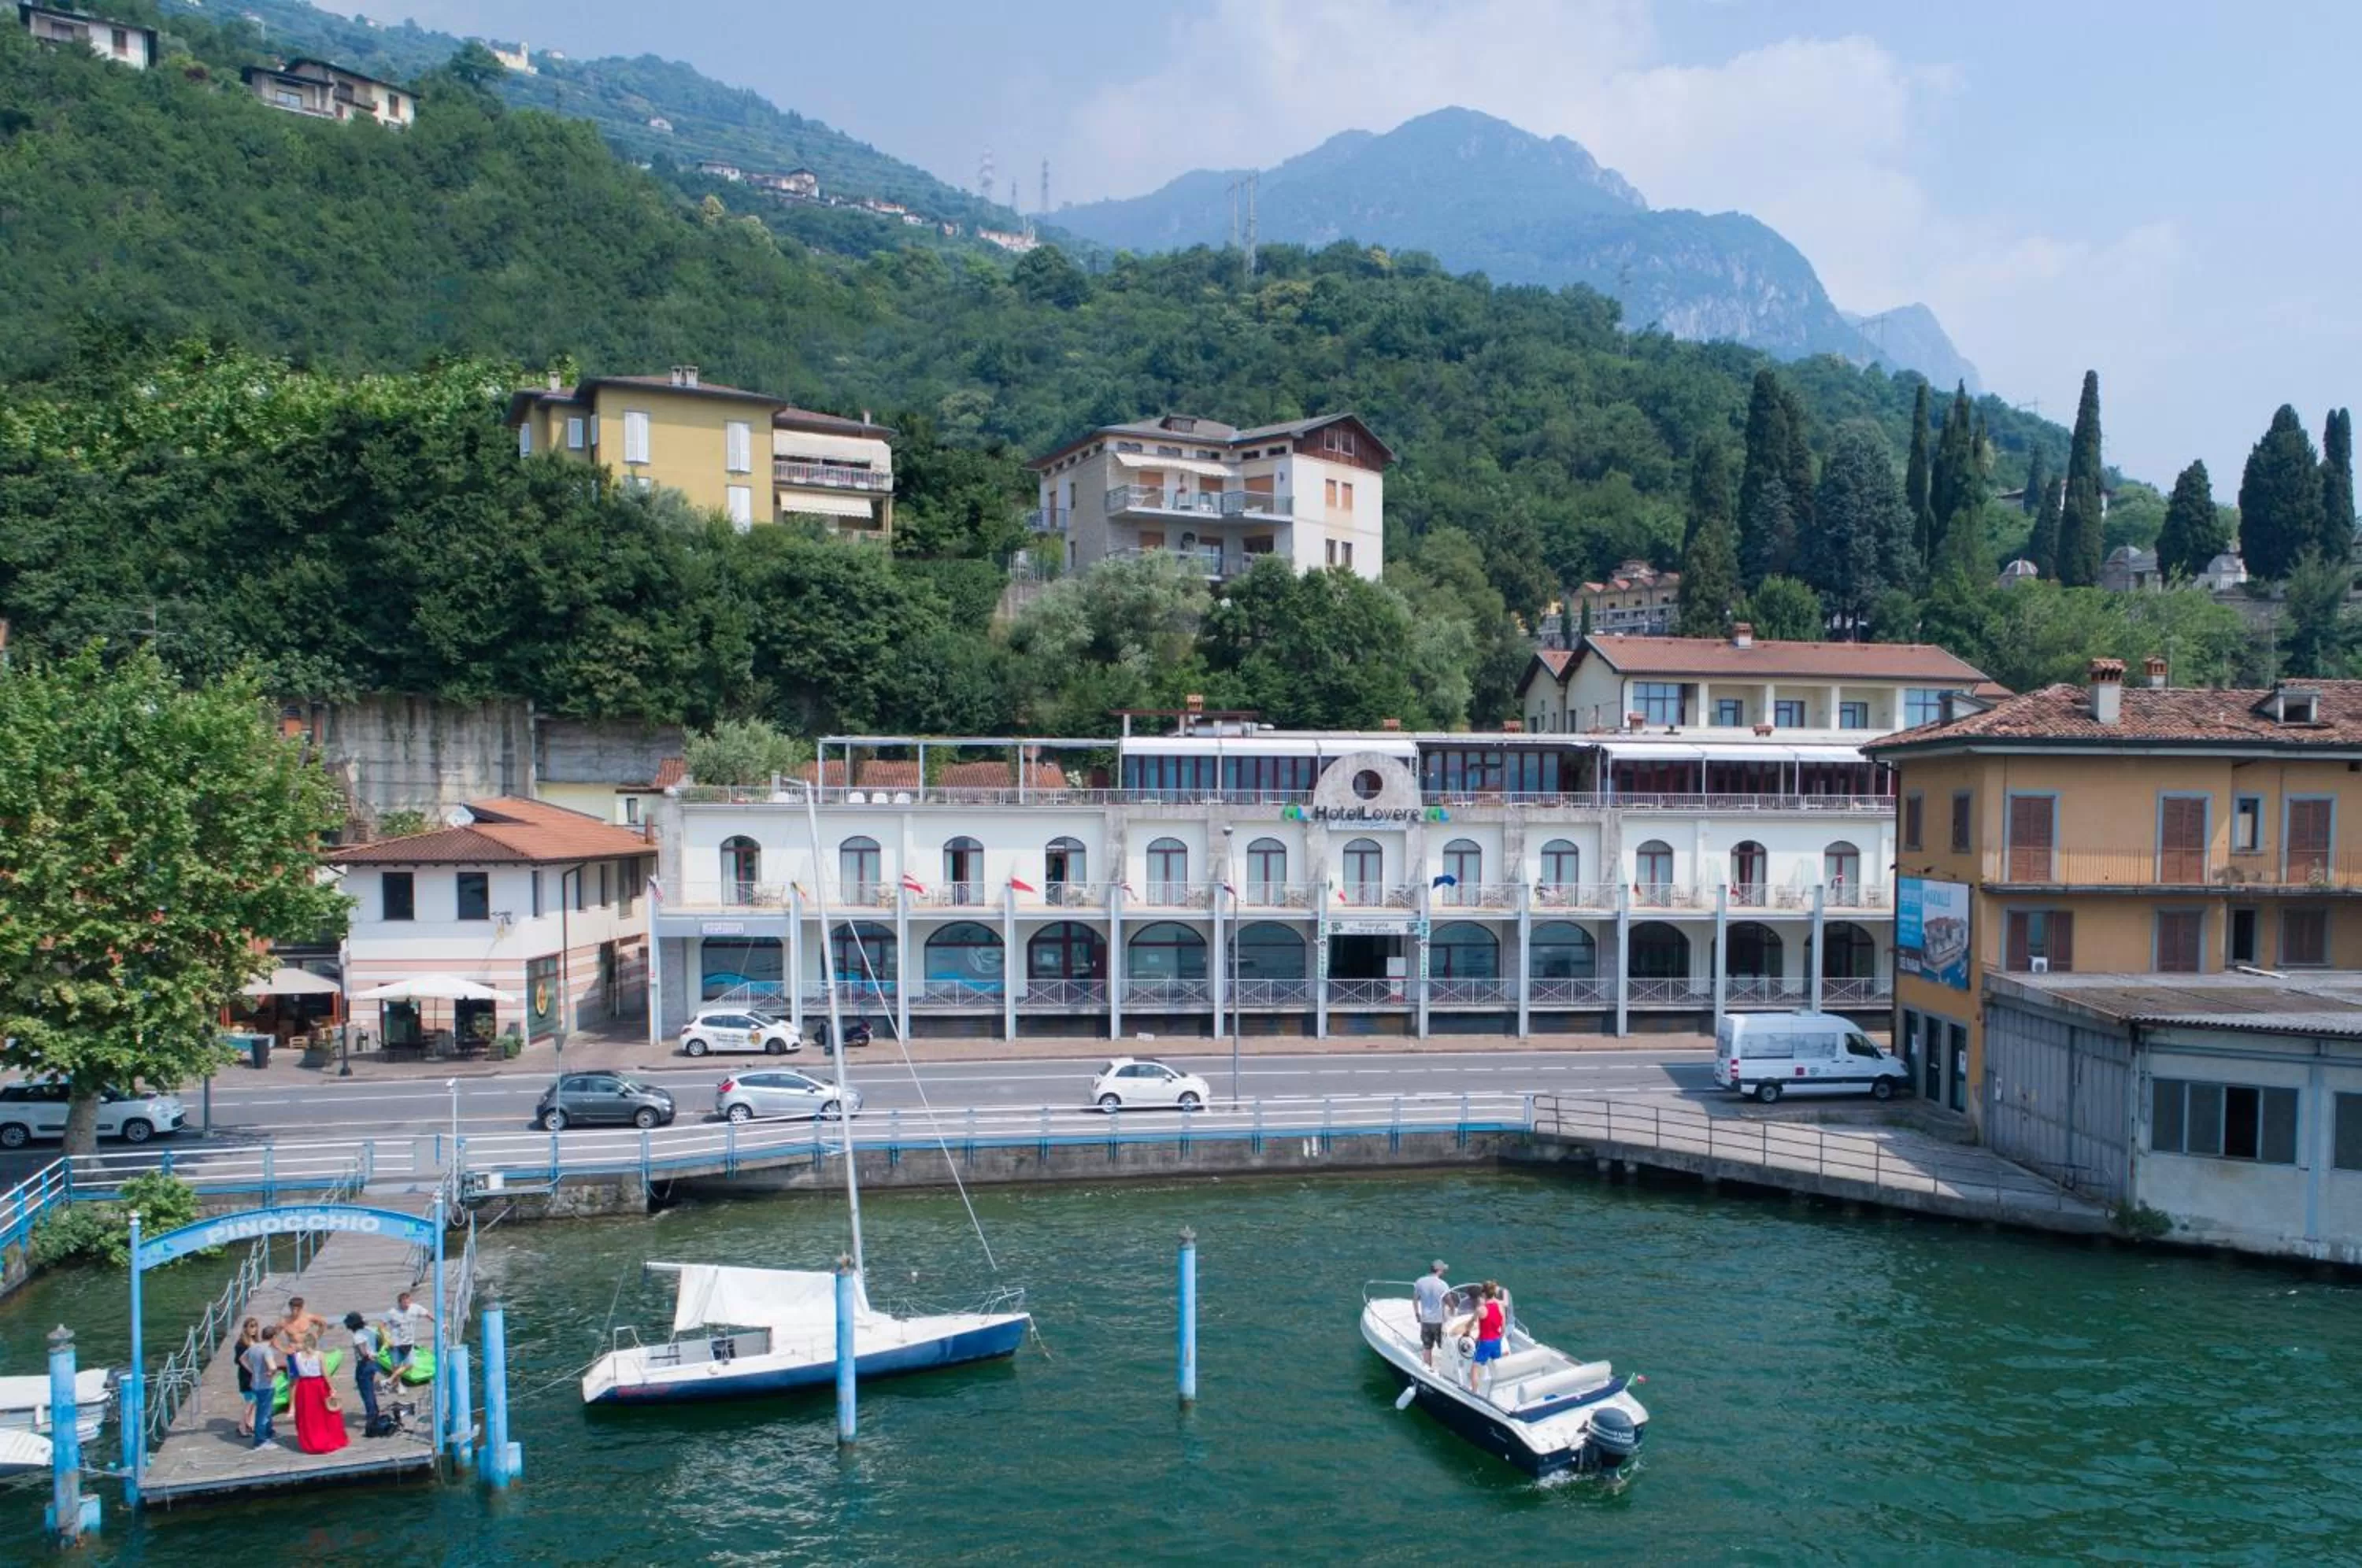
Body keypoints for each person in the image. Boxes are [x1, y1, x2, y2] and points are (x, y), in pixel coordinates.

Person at [289, 1332, 348, 1455]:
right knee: (324, 1414)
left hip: (304, 1387)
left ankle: (310, 1441)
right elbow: (325, 1373)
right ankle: (326, 1438)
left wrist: (292, 1404)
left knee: (307, 1415)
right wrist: (332, 1388)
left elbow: (294, 1379)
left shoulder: (296, 1356)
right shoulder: (319, 1355)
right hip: (318, 1385)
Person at [1452, 1281, 1507, 1394]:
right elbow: (1503, 1327)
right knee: (1497, 1365)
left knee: (1475, 1367)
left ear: (1484, 1294)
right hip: (1497, 1341)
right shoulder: (1500, 1306)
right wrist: (1499, 1338)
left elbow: (1470, 1323)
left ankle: (1474, 1392)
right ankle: (1499, 1390)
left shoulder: (1481, 1309)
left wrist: (1467, 1332)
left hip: (1485, 1343)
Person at [345, 1311, 383, 1432]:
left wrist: (368, 1355)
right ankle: (375, 1411)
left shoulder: (358, 1336)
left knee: (366, 1392)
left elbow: (363, 1353)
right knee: (370, 1390)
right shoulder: (370, 1330)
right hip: (374, 1363)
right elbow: (380, 1341)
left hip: (364, 1364)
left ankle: (372, 1417)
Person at [242, 1329, 280, 1448]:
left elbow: (242, 1359)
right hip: (266, 1385)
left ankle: (269, 1433)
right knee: (263, 1414)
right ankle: (260, 1440)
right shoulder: (267, 1350)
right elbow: (273, 1366)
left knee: (264, 1410)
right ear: (273, 1337)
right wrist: (271, 1372)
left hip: (255, 1384)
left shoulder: (253, 1347)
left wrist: (253, 1371)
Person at [1412, 1260, 1451, 1370]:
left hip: (1425, 1320)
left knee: (1427, 1347)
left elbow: (1415, 1299)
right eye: (1443, 1270)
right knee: (1444, 1347)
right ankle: (1446, 1370)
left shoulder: (1420, 1282)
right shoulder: (1443, 1284)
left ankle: (1428, 1369)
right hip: (1439, 1321)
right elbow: (1449, 1302)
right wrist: (1453, 1311)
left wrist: (1417, 1314)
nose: (1443, 1272)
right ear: (1439, 1270)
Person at [384, 1289, 430, 1380]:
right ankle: (395, 1383)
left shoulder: (415, 1308)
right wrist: (387, 1339)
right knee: (396, 1365)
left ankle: (390, 1380)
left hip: (409, 1342)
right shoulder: (392, 1312)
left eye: (409, 1302)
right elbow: (381, 1325)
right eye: (405, 1303)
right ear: (399, 1303)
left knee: (410, 1365)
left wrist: (441, 1324)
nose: (407, 1305)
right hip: (396, 1344)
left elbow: (428, 1315)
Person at [233, 1318, 263, 1437]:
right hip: (246, 1376)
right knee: (249, 1402)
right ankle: (242, 1427)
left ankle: (250, 1424)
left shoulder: (255, 1342)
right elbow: (238, 1360)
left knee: (255, 1401)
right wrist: (251, 1368)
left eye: (255, 1326)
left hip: (256, 1376)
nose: (254, 1329)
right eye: (251, 1326)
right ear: (245, 1328)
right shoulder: (241, 1344)